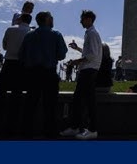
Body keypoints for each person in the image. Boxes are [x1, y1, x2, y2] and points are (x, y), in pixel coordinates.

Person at [18, 11, 68, 138]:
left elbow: (21, 55)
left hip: (32, 74)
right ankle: (50, 133)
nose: (53, 20)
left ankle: (26, 132)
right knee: (50, 106)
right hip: (49, 73)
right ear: (46, 20)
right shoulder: (56, 34)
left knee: (30, 104)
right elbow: (62, 54)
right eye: (51, 18)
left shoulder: (29, 36)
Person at [60, 10, 103, 140]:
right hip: (87, 70)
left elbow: (92, 55)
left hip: (89, 71)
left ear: (89, 19)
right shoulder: (90, 34)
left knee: (88, 101)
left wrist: (75, 61)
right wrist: (78, 48)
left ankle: (92, 129)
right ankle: (75, 127)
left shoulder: (92, 34)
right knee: (78, 100)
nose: (80, 21)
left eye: (82, 19)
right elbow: (88, 52)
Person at [0, 13, 31, 136]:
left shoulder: (10, 29)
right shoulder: (30, 32)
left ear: (20, 19)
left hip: (9, 62)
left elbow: (5, 46)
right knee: (17, 95)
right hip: (22, 65)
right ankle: (13, 126)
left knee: (0, 92)